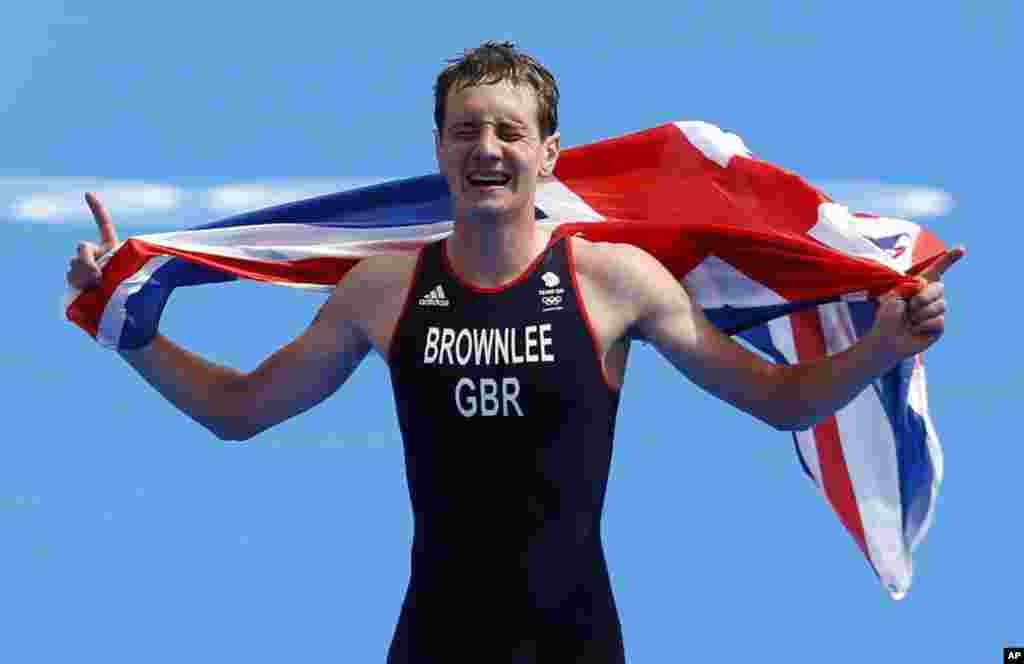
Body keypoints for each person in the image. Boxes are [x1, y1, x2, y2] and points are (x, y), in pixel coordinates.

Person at [67, 42, 963, 664]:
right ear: (440, 150)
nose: (486, 148)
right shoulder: (383, 290)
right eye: (465, 130)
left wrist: (884, 344)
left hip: (575, 647)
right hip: (434, 647)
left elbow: (781, 401)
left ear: (548, 154)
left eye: (507, 131)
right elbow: (239, 411)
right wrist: (127, 325)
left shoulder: (618, 282)